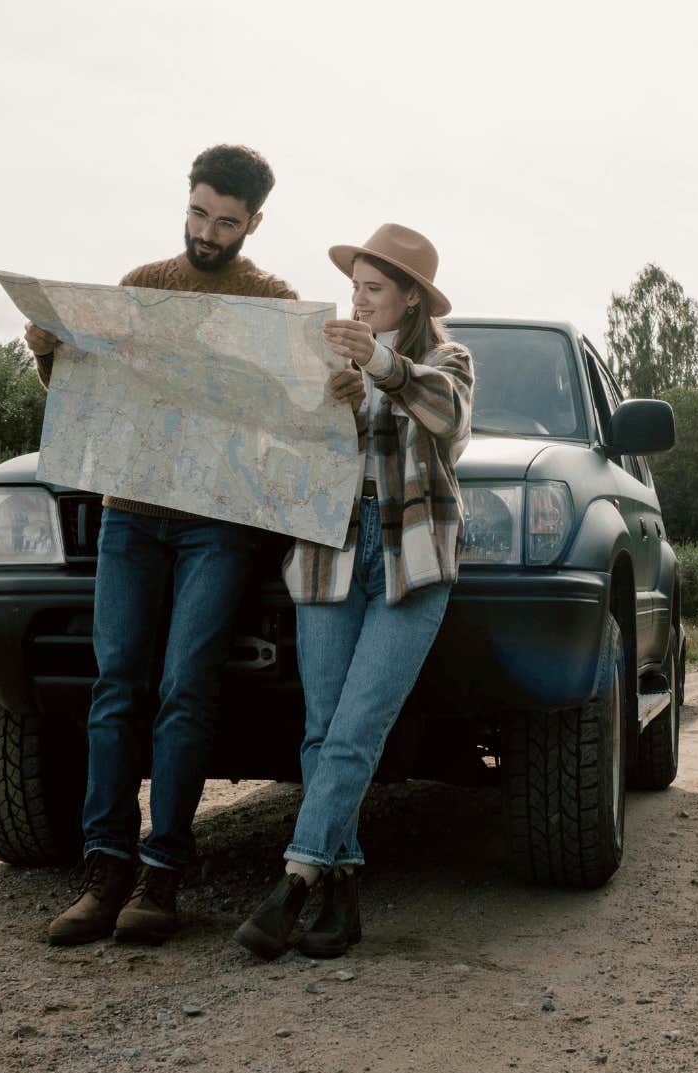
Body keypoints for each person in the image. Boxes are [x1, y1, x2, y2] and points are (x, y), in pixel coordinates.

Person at [31, 145, 299, 947]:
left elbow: (294, 414)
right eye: (197, 214)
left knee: (186, 688)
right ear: (185, 202)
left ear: (253, 223)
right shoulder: (142, 285)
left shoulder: (271, 301)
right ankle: (104, 868)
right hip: (131, 512)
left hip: (219, 521)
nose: (207, 233)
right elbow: (89, 399)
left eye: (226, 222)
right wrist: (49, 354)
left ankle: (163, 876)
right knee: (116, 685)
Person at [234, 224, 473, 960]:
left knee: (356, 727)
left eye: (374, 290)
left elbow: (452, 423)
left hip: (412, 558)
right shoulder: (325, 356)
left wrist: (383, 367)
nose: (359, 302)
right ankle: (341, 893)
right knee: (321, 727)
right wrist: (327, 406)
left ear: (409, 298)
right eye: (355, 289)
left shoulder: (446, 358)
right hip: (327, 549)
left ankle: (295, 882)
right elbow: (280, 450)